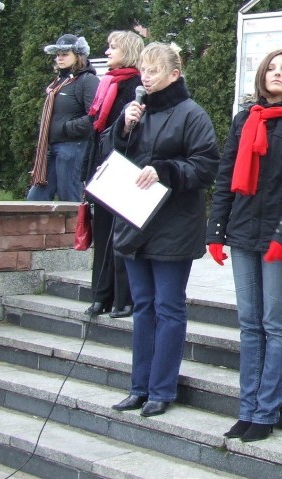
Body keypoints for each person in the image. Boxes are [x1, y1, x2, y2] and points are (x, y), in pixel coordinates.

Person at [206, 48, 282, 443]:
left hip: (277, 237)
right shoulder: (244, 119)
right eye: (271, 67)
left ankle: (267, 411)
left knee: (275, 322)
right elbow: (225, 177)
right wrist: (215, 232)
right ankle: (247, 409)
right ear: (261, 76)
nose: (277, 73)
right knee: (249, 324)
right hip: (241, 232)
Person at [110, 43, 219, 418]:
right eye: (144, 69)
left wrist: (165, 171)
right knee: (142, 307)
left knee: (168, 307)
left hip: (173, 225)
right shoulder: (137, 111)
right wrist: (123, 127)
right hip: (135, 222)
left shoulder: (192, 114)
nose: (146, 76)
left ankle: (162, 389)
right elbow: (116, 156)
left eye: (154, 70)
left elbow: (206, 166)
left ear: (175, 74)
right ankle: (138, 386)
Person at [84, 31, 144, 318]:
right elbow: (96, 131)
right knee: (103, 232)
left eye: (113, 47)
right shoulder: (106, 83)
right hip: (102, 167)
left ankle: (123, 298)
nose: (107, 52)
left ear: (128, 51)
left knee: (120, 238)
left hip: (124, 168)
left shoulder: (137, 86)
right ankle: (100, 295)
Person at [27, 34, 100, 202]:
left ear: (78, 55)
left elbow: (95, 116)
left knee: (69, 198)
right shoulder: (58, 82)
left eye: (65, 54)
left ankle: (78, 229)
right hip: (51, 147)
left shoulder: (87, 81)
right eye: (58, 54)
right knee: (35, 199)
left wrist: (67, 128)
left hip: (73, 147)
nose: (59, 58)